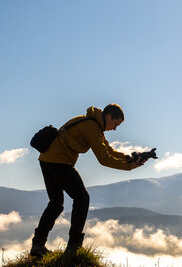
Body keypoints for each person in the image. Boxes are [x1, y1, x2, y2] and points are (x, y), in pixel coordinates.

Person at [30, 104, 147, 257]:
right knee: (82, 198)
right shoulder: (92, 126)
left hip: (46, 160)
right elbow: (104, 159)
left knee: (56, 203)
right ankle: (73, 247)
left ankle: (37, 245)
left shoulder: (91, 122)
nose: (114, 129)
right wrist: (130, 166)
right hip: (59, 161)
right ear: (109, 116)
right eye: (115, 124)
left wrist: (127, 158)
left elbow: (108, 150)